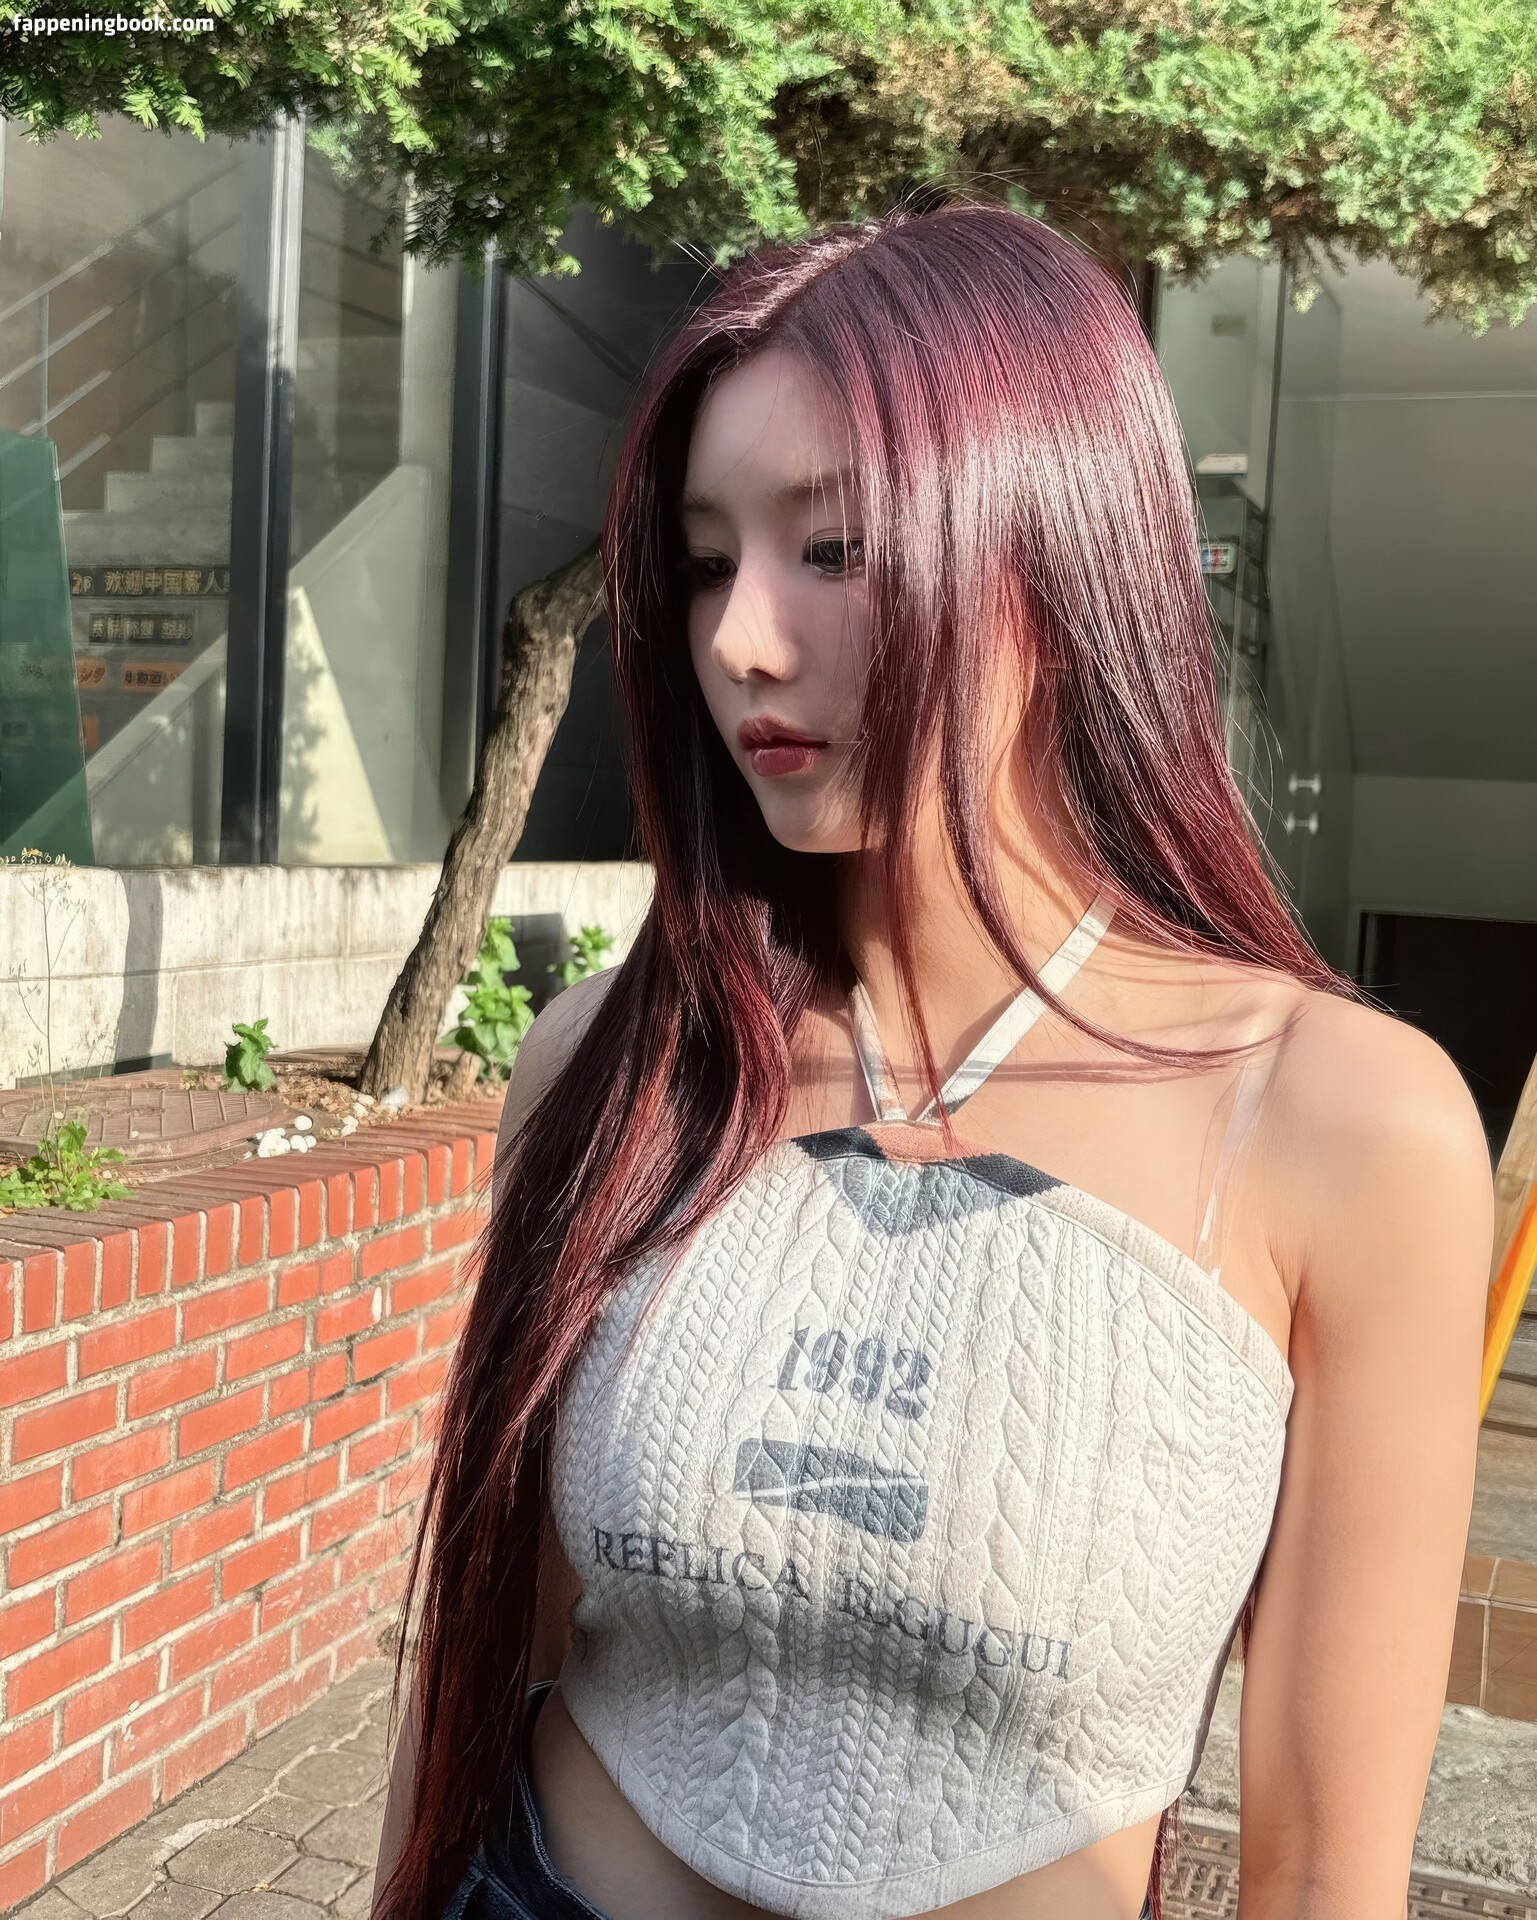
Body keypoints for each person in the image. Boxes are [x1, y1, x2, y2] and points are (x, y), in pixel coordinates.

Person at [371, 202, 1494, 1920]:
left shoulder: (1343, 1121)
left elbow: (1324, 1865)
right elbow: (479, 1656)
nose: (741, 639)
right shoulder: (611, 1060)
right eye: (706, 560)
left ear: (1057, 555)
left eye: (835, 550)